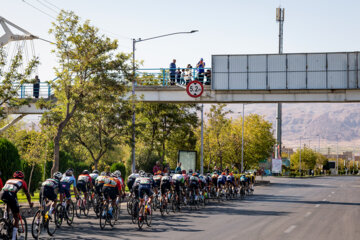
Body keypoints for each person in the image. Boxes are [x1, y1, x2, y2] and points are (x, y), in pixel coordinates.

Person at [0, 171, 33, 240]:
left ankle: (5, 218)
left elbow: (7, 190)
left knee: (8, 202)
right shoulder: (22, 182)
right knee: (16, 216)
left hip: (2, 194)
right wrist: (30, 203)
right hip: (11, 195)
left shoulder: (9, 180)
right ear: (22, 177)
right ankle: (13, 238)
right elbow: (27, 194)